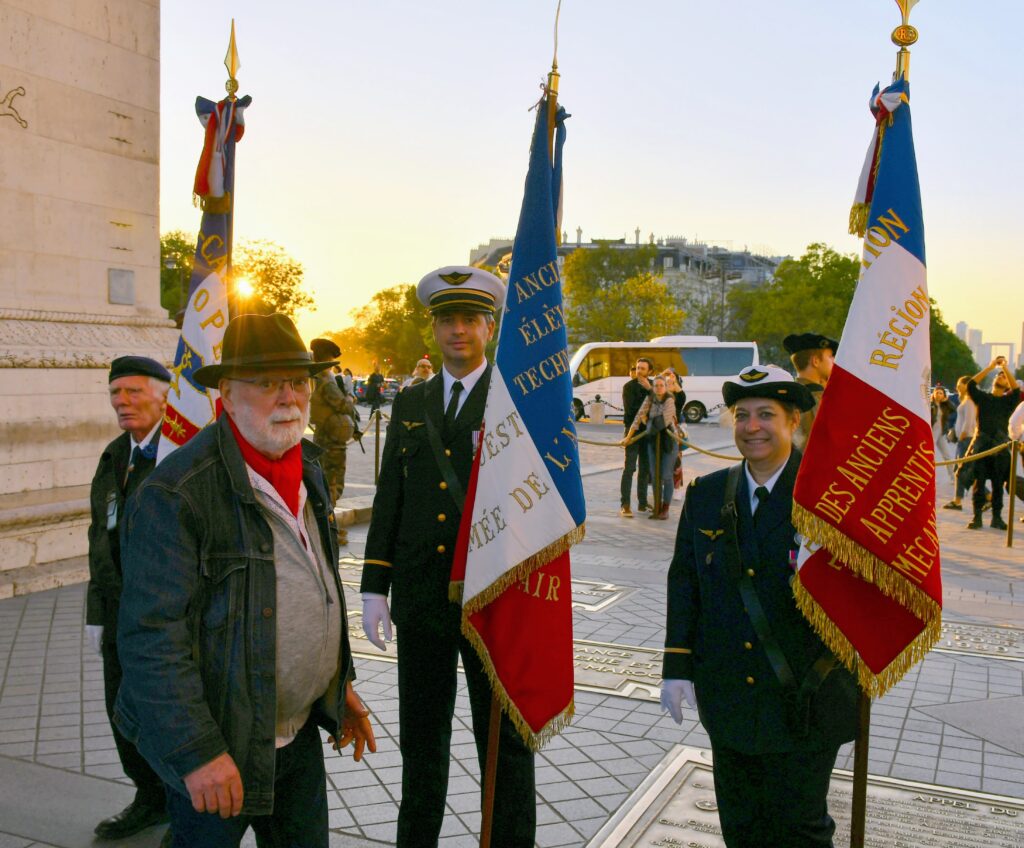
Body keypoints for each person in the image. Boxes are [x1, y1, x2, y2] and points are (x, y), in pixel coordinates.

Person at [115, 313, 375, 847]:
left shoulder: (306, 467)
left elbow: (316, 581)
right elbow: (150, 639)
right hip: (219, 745)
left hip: (296, 735)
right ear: (226, 397)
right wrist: (197, 754)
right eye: (266, 383)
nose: (289, 397)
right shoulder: (177, 492)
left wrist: (335, 684)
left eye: (298, 382)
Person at [361, 266, 536, 847]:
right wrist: (373, 586)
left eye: (469, 319)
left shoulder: (514, 403)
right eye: (446, 321)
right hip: (422, 597)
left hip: (492, 595)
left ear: (489, 327)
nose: (457, 331)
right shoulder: (411, 402)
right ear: (433, 330)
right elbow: (392, 496)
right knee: (423, 740)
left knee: (504, 745)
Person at [661, 364, 858, 848]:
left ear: (793, 420)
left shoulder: (829, 494)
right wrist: (676, 666)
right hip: (728, 693)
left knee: (801, 827)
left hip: (805, 696)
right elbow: (685, 580)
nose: (752, 427)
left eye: (766, 414)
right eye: (742, 415)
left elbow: (859, 592)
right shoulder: (708, 494)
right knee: (741, 825)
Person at [86, 356, 171, 839]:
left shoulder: (183, 453)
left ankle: (184, 805)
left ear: (165, 395)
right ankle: (149, 797)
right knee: (121, 711)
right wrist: (98, 609)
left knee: (168, 711)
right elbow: (101, 535)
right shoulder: (115, 455)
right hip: (119, 614)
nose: (121, 401)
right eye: (115, 393)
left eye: (133, 391)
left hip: (167, 617)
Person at [310, 338, 357, 547]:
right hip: (331, 441)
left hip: (325, 437)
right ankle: (329, 530)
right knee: (332, 484)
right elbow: (343, 405)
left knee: (326, 483)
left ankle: (328, 528)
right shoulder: (326, 380)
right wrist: (350, 397)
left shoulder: (318, 377)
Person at [964, 356, 1021, 530]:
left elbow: (1016, 390)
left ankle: (997, 517)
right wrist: (990, 367)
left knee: (997, 486)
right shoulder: (983, 398)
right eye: (999, 376)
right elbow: (971, 385)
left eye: (1003, 377)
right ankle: (977, 517)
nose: (1000, 377)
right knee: (978, 485)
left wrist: (1006, 369)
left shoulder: (1007, 401)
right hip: (982, 446)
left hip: (999, 448)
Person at [623, 375, 683, 520]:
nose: (659, 388)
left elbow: (663, 421)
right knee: (654, 475)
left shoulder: (670, 400)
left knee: (665, 475)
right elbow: (638, 417)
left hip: (668, 441)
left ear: (666, 387)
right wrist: (628, 437)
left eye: (662, 385)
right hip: (652, 441)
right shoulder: (649, 398)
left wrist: (648, 420)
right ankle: (657, 507)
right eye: (656, 386)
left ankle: (665, 508)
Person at [782, 333, 838, 451]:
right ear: (816, 361)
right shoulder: (815, 397)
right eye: (830, 356)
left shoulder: (787, 395)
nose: (834, 361)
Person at [619, 357, 653, 517]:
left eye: (643, 368)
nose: (639, 371)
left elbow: (661, 406)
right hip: (632, 432)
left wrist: (649, 390)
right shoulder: (628, 387)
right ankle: (625, 504)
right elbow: (630, 410)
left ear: (649, 371)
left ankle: (643, 503)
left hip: (648, 433)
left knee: (645, 469)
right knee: (629, 468)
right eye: (637, 368)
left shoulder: (653, 386)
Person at [944, 376, 979, 510]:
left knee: (961, 470)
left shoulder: (969, 401)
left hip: (966, 439)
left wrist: (963, 435)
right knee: (963, 470)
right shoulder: (965, 400)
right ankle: (959, 499)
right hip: (963, 439)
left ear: (967, 385)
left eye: (960, 384)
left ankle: (958, 500)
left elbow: (969, 421)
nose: (957, 387)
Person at [930, 386, 957, 480]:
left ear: (944, 395)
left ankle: (953, 477)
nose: (938, 394)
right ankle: (929, 476)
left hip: (941, 433)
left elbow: (954, 409)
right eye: (937, 392)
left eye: (941, 393)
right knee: (929, 456)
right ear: (933, 394)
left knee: (947, 455)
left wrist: (947, 401)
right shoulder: (930, 404)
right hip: (931, 433)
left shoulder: (945, 405)